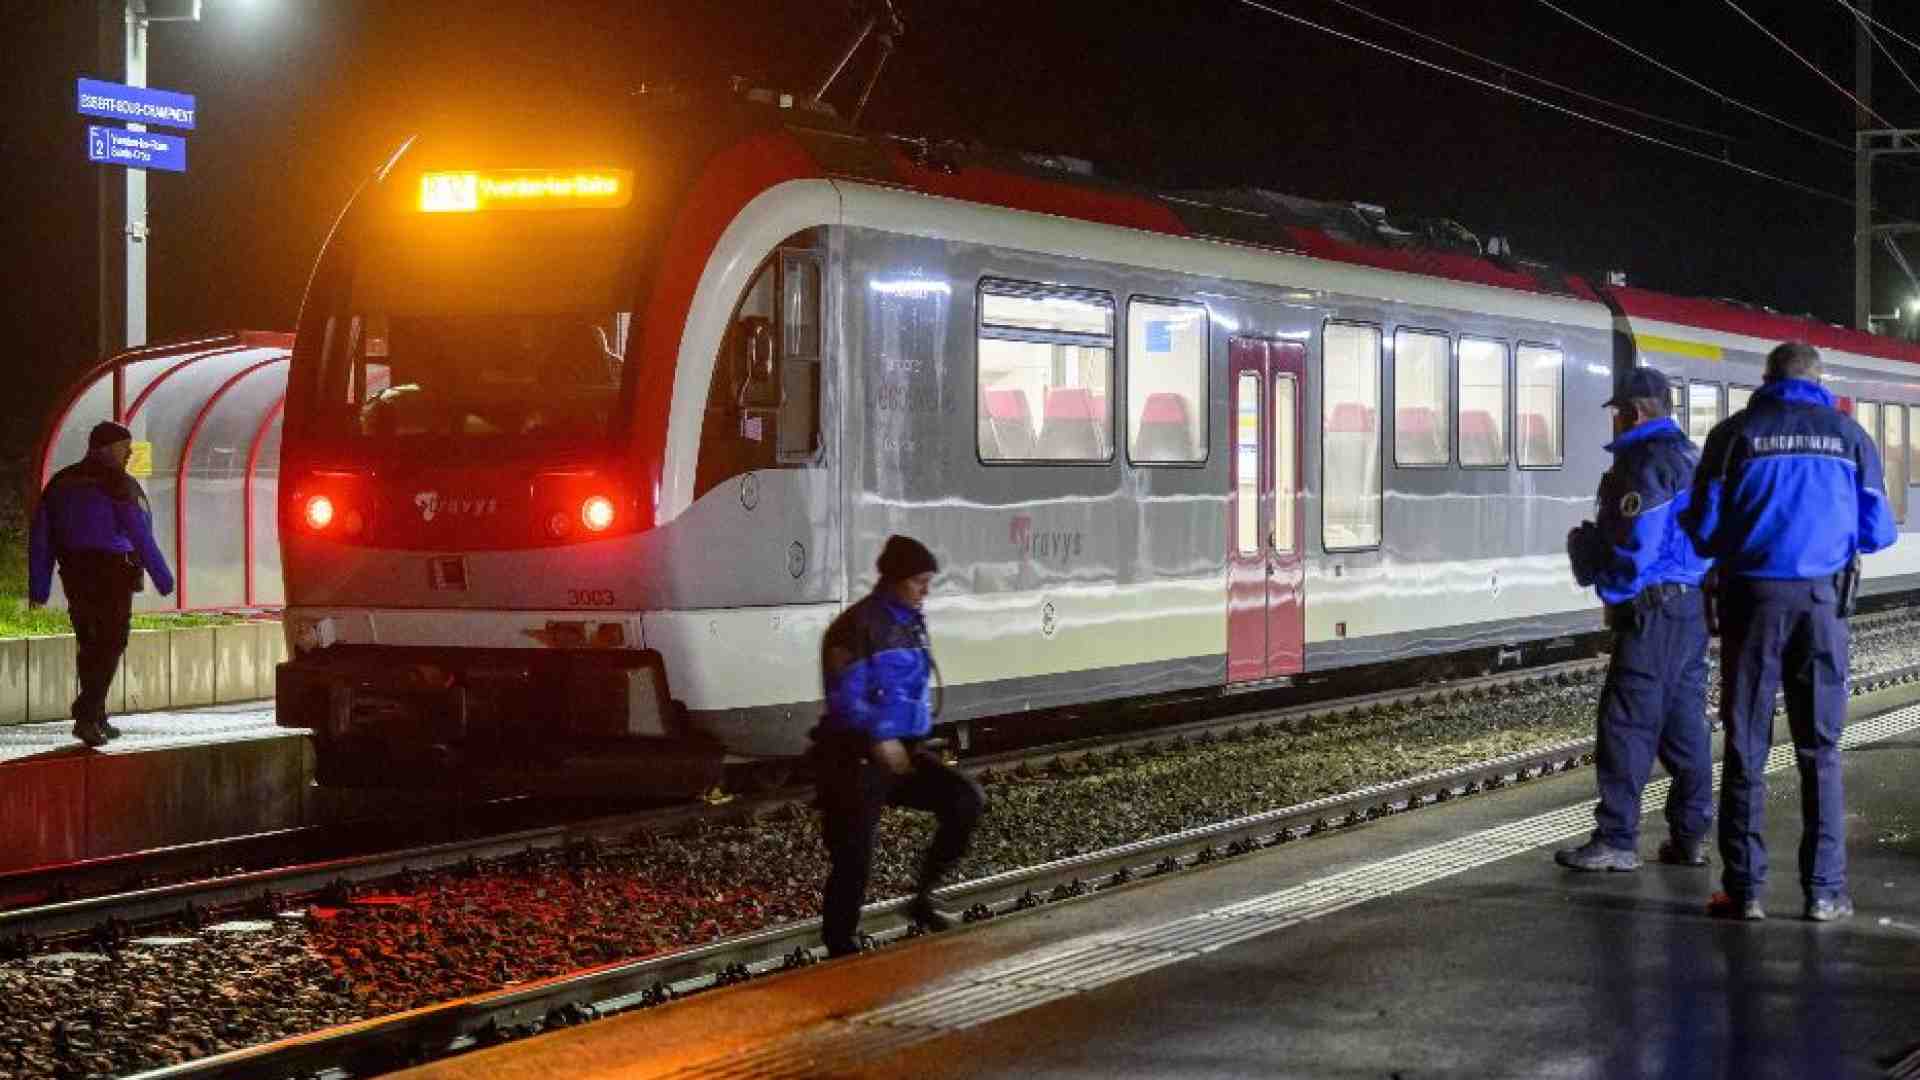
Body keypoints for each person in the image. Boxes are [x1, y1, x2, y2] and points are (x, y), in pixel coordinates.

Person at [1682, 342, 1897, 922]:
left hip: (1751, 602)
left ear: (1766, 379)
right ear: (1819, 381)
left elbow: (1701, 530)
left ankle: (1744, 890)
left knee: (1747, 742)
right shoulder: (1850, 437)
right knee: (1820, 748)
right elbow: (1879, 532)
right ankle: (1825, 892)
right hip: (1823, 607)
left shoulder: (1733, 436)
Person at [1557, 367, 1715, 873]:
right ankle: (1690, 835)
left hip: (1651, 612)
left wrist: (1606, 580)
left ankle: (1617, 840)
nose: (1615, 423)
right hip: (1689, 609)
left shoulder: (1645, 463)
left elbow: (1637, 545)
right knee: (1682, 724)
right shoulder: (1694, 457)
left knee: (1625, 725)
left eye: (1619, 413)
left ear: (1635, 412)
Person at [813, 534, 985, 958]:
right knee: (854, 857)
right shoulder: (855, 627)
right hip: (852, 757)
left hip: (901, 755)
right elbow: (844, 697)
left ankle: (922, 899)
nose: (926, 591)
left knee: (965, 801)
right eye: (919, 581)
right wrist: (878, 736)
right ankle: (840, 948)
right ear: (894, 580)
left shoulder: (910, 619)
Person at [27, 421, 175, 748]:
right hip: (112, 574)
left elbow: (41, 537)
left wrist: (39, 585)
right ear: (107, 449)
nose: (130, 453)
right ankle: (86, 712)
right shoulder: (117, 484)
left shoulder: (60, 482)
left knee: (89, 641)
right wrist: (162, 577)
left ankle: (97, 716)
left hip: (74, 573)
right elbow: (140, 534)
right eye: (125, 447)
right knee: (111, 641)